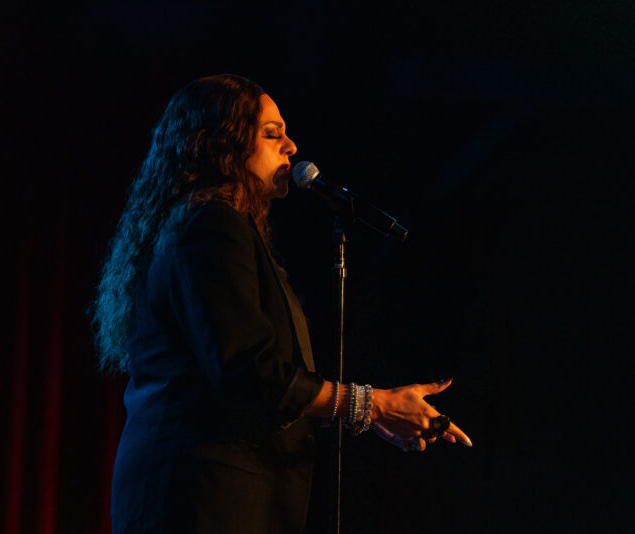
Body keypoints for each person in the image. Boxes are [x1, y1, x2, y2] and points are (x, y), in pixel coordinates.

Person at [92, 74, 472, 533]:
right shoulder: (212, 226)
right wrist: (371, 405)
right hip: (200, 495)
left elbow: (245, 385)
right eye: (272, 134)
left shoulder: (210, 226)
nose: (291, 147)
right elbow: (249, 371)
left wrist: (368, 414)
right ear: (222, 144)